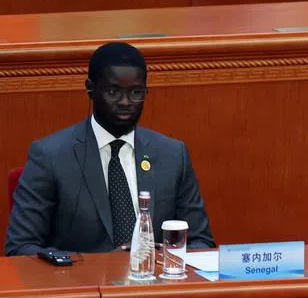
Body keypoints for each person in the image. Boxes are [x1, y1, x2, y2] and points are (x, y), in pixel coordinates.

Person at [5, 43, 215, 256]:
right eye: (113, 92)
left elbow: (200, 241)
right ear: (90, 89)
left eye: (136, 92)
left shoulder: (172, 154)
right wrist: (102, 267)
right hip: (84, 285)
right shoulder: (51, 156)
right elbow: (21, 248)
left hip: (153, 282)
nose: (125, 102)